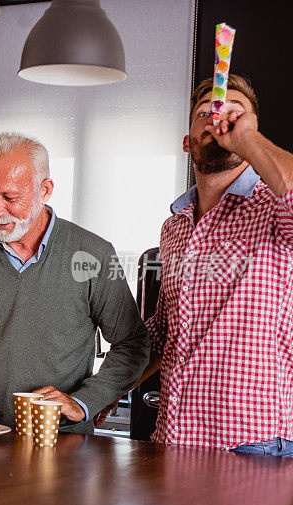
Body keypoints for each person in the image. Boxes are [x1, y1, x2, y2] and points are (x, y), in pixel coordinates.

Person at [0, 133, 150, 433]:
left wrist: (85, 401)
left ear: (45, 190)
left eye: (10, 198)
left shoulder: (98, 254)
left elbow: (134, 344)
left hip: (62, 444)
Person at [118, 75, 293, 454]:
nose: (219, 120)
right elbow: (164, 334)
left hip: (251, 444)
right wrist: (103, 391)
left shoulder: (273, 209)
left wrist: (247, 139)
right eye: (206, 113)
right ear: (187, 141)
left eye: (235, 114)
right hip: (174, 439)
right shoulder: (174, 226)